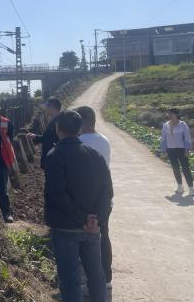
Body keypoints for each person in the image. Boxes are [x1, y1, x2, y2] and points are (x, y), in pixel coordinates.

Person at [44, 110, 113, 302]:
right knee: (96, 275)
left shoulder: (54, 155)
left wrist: (81, 218)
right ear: (79, 129)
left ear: (58, 129)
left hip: (65, 227)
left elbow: (57, 193)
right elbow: (107, 190)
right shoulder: (95, 155)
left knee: (70, 279)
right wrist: (96, 218)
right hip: (92, 227)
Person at [76, 105, 113, 293]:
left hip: (84, 201)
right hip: (103, 199)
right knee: (103, 237)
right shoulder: (104, 140)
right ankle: (106, 279)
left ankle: (85, 283)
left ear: (79, 122)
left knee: (83, 242)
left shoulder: (78, 142)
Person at [160, 108, 194, 196]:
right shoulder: (165, 125)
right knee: (175, 168)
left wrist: (187, 150)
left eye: (171, 114)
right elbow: (163, 139)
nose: (170, 116)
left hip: (181, 149)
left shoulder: (183, 125)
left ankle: (191, 188)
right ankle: (180, 186)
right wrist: (164, 150)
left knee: (185, 168)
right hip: (170, 150)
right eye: (169, 114)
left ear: (177, 115)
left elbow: (187, 138)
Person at [26, 96, 62, 170]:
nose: (45, 107)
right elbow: (48, 138)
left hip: (54, 160)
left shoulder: (58, 122)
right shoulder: (53, 120)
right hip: (50, 157)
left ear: (53, 107)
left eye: (47, 105)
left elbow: (56, 140)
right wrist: (35, 136)